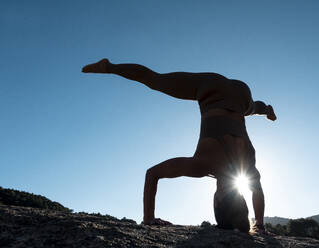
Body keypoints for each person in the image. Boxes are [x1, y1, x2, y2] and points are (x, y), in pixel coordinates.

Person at [82, 58, 276, 234]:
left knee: (251, 108)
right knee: (154, 80)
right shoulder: (203, 165)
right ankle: (109, 67)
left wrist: (259, 225)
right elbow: (152, 174)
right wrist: (148, 218)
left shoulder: (248, 167)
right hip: (210, 89)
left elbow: (257, 191)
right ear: (216, 202)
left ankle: (267, 110)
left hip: (242, 94)